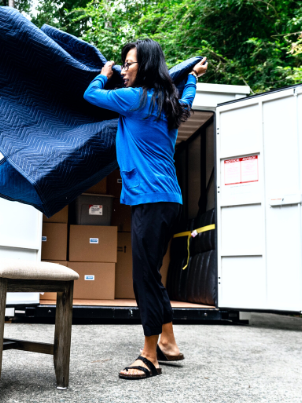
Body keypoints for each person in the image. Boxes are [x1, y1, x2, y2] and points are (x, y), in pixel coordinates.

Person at [83, 39, 208, 380]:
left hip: (151, 200)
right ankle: (167, 341)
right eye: (122, 64)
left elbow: (90, 96)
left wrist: (103, 74)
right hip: (168, 200)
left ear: (148, 67)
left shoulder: (135, 98)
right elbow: (189, 98)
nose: (125, 68)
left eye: (130, 63)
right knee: (152, 273)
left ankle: (149, 355)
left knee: (144, 278)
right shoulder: (171, 105)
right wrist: (194, 76)